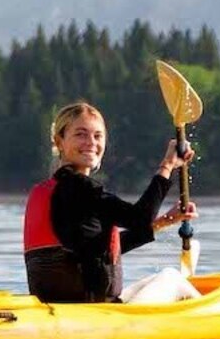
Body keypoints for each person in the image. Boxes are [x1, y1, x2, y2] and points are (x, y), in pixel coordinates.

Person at [22, 102, 195, 303]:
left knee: (156, 280)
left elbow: (98, 250)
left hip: (65, 307)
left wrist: (163, 222)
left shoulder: (58, 188)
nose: (91, 142)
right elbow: (139, 218)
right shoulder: (80, 188)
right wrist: (168, 165)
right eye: (80, 134)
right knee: (172, 278)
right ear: (59, 142)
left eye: (98, 135)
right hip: (90, 310)